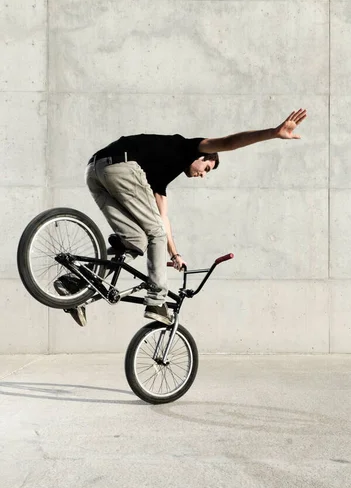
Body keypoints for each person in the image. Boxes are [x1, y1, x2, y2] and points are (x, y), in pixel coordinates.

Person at [55, 108, 306, 326]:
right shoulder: (189, 147)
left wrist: (175, 254)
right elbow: (230, 142)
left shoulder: (158, 181)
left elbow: (163, 223)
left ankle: (76, 283)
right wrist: (272, 133)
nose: (203, 175)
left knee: (137, 241)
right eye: (206, 168)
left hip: (95, 171)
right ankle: (156, 301)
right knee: (152, 234)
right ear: (203, 157)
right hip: (122, 167)